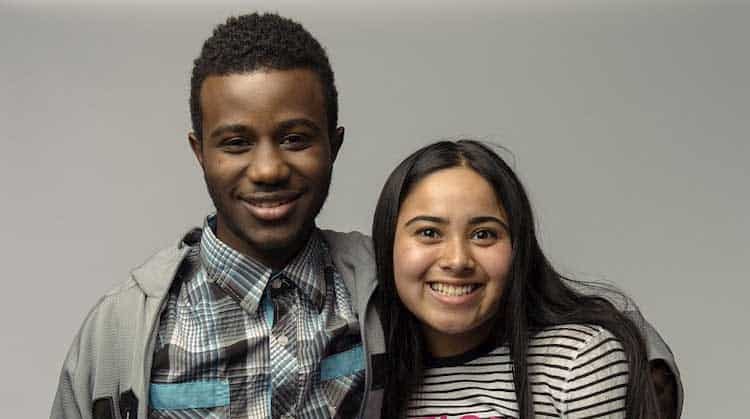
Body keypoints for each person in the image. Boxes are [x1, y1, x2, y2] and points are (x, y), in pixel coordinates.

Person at [50, 12, 680, 419]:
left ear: (334, 144)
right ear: (200, 151)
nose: (268, 169)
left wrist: (649, 374)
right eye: (236, 142)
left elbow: (521, 300)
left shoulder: (378, 281)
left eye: (297, 138)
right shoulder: (125, 325)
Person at [372, 140, 682, 418]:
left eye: (484, 234)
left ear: (518, 248)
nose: (457, 260)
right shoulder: (369, 374)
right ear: (389, 245)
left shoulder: (575, 361)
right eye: (429, 233)